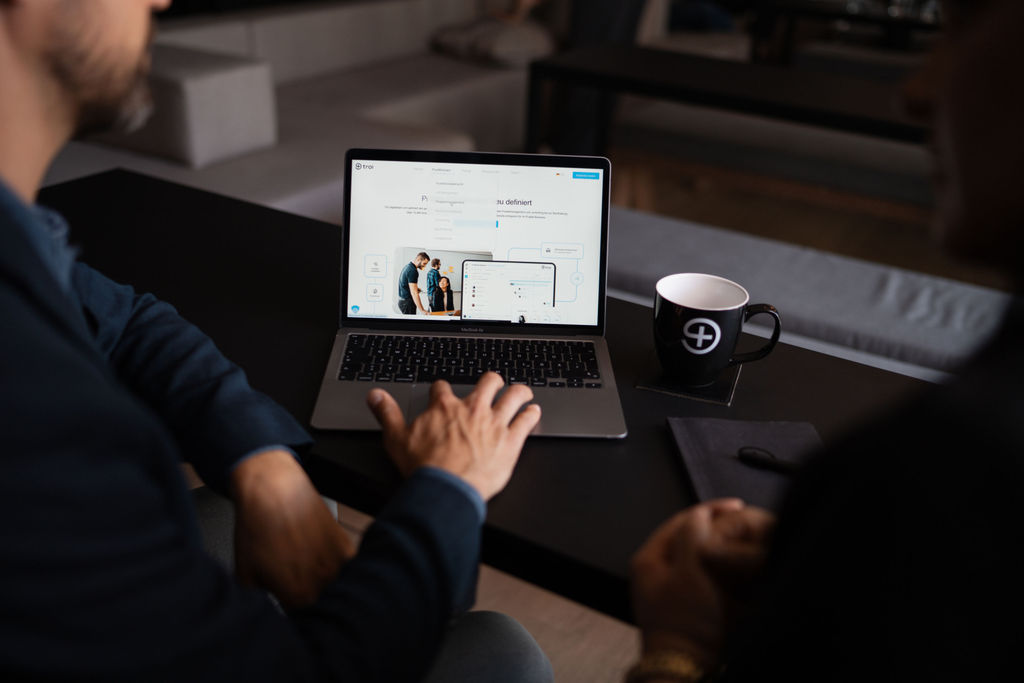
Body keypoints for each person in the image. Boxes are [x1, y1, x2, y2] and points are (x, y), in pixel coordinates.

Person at [0, 2, 552, 681]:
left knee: (303, 499)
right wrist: (451, 487)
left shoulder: (22, 243)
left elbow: (129, 322)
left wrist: (262, 464)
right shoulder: (39, 421)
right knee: (505, 650)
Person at [625, 1, 1024, 681]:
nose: (917, 91)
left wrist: (675, 648)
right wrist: (840, 564)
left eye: (961, 30)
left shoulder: (934, 470)